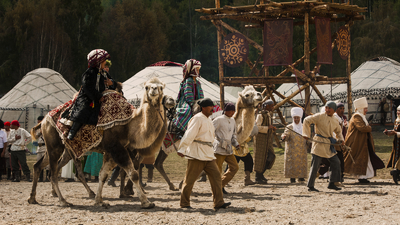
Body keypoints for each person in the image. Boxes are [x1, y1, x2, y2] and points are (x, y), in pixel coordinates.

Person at [177, 98, 230, 210]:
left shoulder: (208, 119)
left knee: (216, 178)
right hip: (197, 154)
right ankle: (184, 203)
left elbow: (210, 137)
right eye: (211, 106)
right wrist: (182, 149)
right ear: (204, 108)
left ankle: (219, 202)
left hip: (208, 155)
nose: (213, 108)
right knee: (190, 180)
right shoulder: (197, 119)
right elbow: (189, 134)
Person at [66, 49, 116, 140]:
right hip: (88, 98)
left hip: (101, 98)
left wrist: (111, 83)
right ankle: (72, 132)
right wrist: (98, 96)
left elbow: (113, 83)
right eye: (103, 60)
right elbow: (87, 88)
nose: (105, 62)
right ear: (98, 62)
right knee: (83, 110)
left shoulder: (103, 73)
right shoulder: (89, 73)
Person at [303, 101, 344, 192]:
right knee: (315, 165)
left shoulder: (335, 119)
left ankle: (332, 183)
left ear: (334, 110)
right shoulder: (319, 116)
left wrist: (341, 140)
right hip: (319, 143)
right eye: (326, 108)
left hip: (328, 144)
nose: (327, 110)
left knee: (336, 162)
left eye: (330, 108)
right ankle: (310, 185)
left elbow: (338, 131)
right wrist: (306, 133)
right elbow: (307, 120)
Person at [344, 97, 385, 183]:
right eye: (365, 108)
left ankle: (364, 177)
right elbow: (362, 128)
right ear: (360, 109)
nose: (366, 110)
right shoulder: (357, 116)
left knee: (365, 159)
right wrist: (369, 128)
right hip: (357, 143)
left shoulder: (361, 117)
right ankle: (360, 177)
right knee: (357, 159)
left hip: (362, 142)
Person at [213, 103, 240, 194]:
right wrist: (216, 141)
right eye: (230, 111)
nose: (232, 113)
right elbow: (211, 131)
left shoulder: (232, 120)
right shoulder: (218, 120)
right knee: (218, 170)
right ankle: (217, 189)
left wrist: (236, 143)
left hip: (228, 148)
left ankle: (221, 184)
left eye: (233, 111)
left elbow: (233, 134)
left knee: (235, 167)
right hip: (219, 149)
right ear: (225, 110)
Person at [172, 59, 204, 136]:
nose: (198, 71)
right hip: (186, 101)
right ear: (192, 70)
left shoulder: (198, 82)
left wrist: (203, 102)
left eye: (198, 70)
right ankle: (180, 130)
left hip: (197, 101)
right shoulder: (188, 81)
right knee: (187, 110)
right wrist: (192, 103)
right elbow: (188, 93)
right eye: (196, 69)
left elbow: (201, 93)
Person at [318, 102, 348, 183]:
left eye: (343, 109)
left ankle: (337, 178)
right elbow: (332, 131)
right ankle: (320, 174)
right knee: (332, 161)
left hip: (337, 143)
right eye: (340, 108)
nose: (342, 110)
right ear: (336, 110)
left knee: (338, 161)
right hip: (332, 143)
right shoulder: (334, 118)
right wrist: (335, 140)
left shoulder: (340, 118)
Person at [281, 107, 308, 183]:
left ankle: (301, 177)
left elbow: (307, 137)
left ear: (300, 118)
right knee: (292, 163)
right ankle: (292, 177)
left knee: (301, 162)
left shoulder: (304, 127)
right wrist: (284, 137)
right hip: (292, 149)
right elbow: (286, 134)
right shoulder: (289, 127)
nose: (296, 119)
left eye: (297, 118)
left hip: (302, 149)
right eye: (295, 118)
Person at [254, 100, 276, 184]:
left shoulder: (269, 114)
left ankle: (261, 173)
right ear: (266, 106)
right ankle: (258, 177)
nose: (272, 107)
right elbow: (257, 127)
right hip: (261, 139)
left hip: (268, 139)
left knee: (271, 156)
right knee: (260, 158)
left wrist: (271, 128)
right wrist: (268, 127)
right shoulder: (260, 115)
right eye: (271, 106)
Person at [384, 105, 400, 184]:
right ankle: (396, 173)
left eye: (399, 111)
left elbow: (396, 132)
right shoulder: (397, 120)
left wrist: (395, 133)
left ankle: (396, 173)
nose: (398, 113)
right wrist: (388, 133)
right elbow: (395, 131)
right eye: (397, 111)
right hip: (397, 143)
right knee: (397, 158)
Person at [33, 116, 49, 182]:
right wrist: (39, 132)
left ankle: (48, 177)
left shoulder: (47, 127)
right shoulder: (37, 129)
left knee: (47, 163)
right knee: (39, 162)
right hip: (39, 147)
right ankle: (40, 177)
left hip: (45, 146)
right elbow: (35, 137)